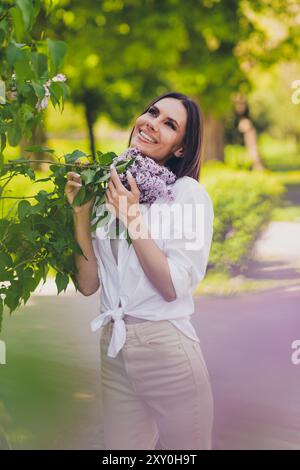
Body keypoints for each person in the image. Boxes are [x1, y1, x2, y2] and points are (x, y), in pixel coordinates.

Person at [64, 92, 214, 450]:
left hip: (167, 352)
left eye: (169, 124)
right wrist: (81, 214)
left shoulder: (186, 195)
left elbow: (172, 286)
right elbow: (87, 285)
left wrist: (131, 217)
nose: (152, 123)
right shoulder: (109, 189)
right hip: (114, 349)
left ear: (180, 148)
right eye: (152, 112)